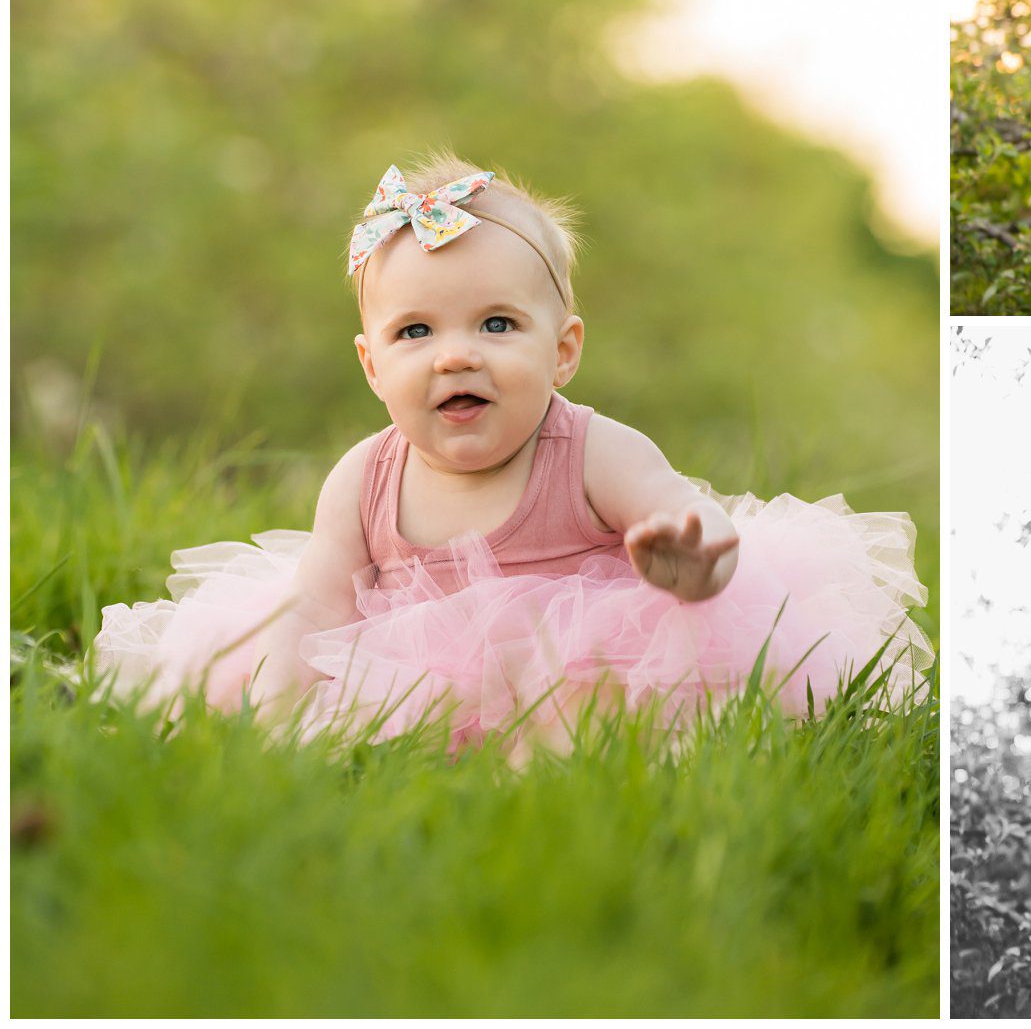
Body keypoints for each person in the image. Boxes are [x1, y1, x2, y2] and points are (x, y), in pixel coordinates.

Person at [95, 156, 931, 752]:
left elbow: (682, 513)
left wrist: (694, 565)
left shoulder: (593, 450)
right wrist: (275, 717)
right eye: (415, 331)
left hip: (581, 674)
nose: (456, 354)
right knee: (280, 690)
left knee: (610, 730)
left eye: (497, 324)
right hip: (410, 684)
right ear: (372, 364)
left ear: (562, 350)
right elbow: (316, 608)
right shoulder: (363, 478)